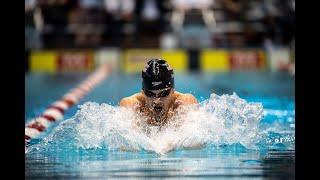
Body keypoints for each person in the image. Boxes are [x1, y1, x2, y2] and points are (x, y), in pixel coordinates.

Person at [119, 59, 198, 128]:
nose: (156, 100)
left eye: (163, 93)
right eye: (150, 94)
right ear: (143, 92)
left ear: (172, 91)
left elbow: (194, 142)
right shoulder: (131, 104)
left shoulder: (185, 102)